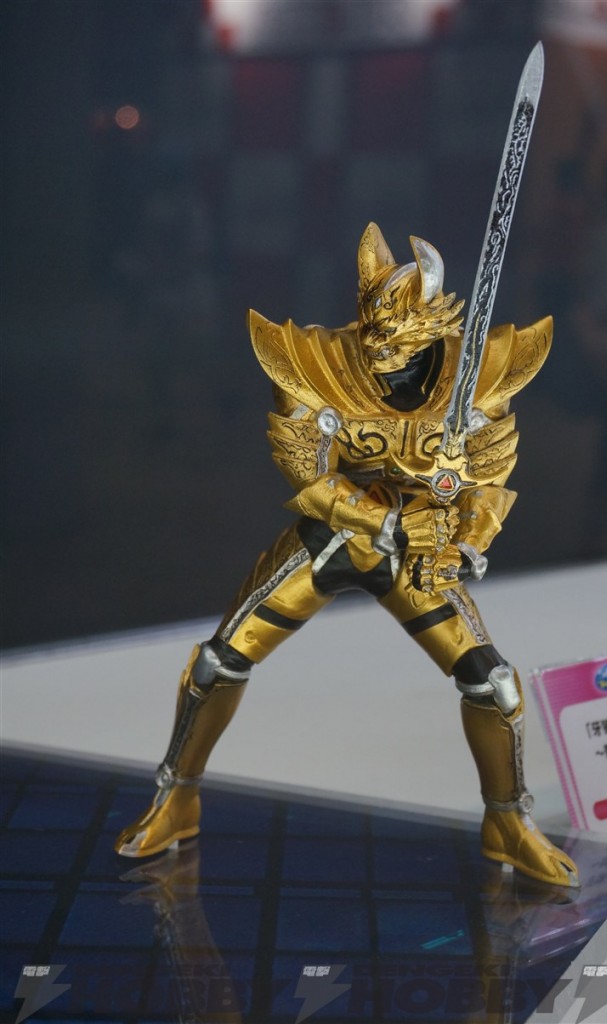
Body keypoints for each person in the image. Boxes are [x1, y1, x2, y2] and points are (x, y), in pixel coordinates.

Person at [115, 223, 579, 888]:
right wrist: (386, 520)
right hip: (335, 535)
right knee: (218, 663)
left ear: (431, 328)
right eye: (373, 333)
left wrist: (469, 543)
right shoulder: (315, 363)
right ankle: (176, 798)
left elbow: (488, 481)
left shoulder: (479, 377)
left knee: (494, 685)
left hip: (418, 547)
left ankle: (508, 820)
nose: (377, 349)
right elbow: (309, 477)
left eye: (395, 337)